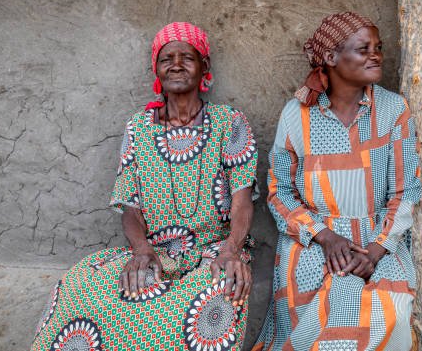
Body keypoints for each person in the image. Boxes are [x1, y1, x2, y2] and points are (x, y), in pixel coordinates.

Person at [30, 22, 259, 351]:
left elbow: (242, 202)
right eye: (167, 59)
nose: (176, 65)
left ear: (204, 66)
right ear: (156, 69)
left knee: (217, 297)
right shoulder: (138, 127)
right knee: (80, 284)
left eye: (187, 58)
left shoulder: (229, 121)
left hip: (213, 252)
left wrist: (232, 250)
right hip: (155, 252)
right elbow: (130, 207)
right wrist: (141, 250)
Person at [253, 12, 421, 351]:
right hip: (315, 243)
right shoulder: (296, 115)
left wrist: (374, 251)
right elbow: (279, 192)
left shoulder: (392, 109)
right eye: (363, 49)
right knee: (316, 320)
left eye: (378, 47)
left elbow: (406, 192)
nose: (375, 55)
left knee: (391, 315)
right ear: (330, 58)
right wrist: (325, 237)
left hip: (379, 241)